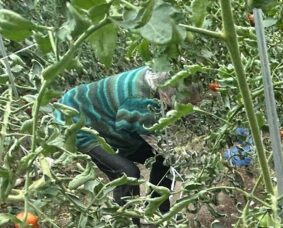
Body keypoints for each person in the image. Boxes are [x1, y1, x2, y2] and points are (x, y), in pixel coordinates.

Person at [54, 67, 186, 213]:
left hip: (106, 119)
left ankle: (157, 211)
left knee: (164, 158)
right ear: (166, 94)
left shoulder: (156, 77)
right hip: (75, 120)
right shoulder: (137, 98)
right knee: (126, 173)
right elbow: (137, 128)